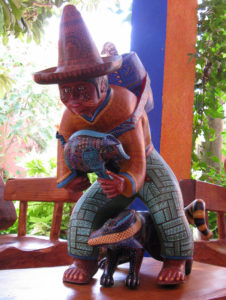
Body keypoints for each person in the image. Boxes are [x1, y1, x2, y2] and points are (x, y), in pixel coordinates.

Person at [33, 5, 193, 286]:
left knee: (169, 203)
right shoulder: (69, 117)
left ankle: (175, 259)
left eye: (81, 90)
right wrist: (72, 179)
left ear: (102, 83)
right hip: (109, 173)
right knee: (85, 210)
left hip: (144, 163)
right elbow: (64, 149)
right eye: (65, 92)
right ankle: (83, 261)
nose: (73, 100)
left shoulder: (124, 105)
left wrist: (126, 183)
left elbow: (136, 161)